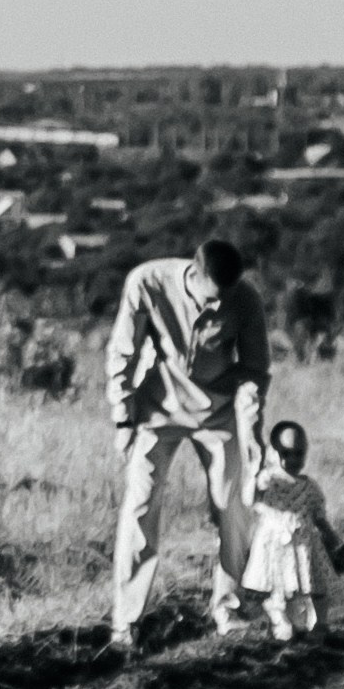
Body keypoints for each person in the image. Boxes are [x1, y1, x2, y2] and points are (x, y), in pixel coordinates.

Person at [103, 233, 270, 652]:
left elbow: (254, 370)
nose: (218, 306)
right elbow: (124, 351)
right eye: (212, 297)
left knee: (232, 503)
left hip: (217, 412)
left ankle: (227, 608)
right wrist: (123, 418)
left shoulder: (245, 300)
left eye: (224, 299)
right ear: (193, 274)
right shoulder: (147, 282)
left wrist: (253, 431)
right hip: (156, 409)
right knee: (140, 504)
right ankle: (126, 623)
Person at [244, 417, 335, 643]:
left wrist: (332, 536)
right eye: (285, 453)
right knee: (280, 589)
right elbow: (249, 499)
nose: (293, 459)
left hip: (305, 544)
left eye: (298, 453)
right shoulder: (268, 480)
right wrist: (255, 470)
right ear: (273, 452)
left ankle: (320, 624)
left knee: (315, 585)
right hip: (275, 545)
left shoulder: (309, 485)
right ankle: (282, 622)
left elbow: (318, 514)